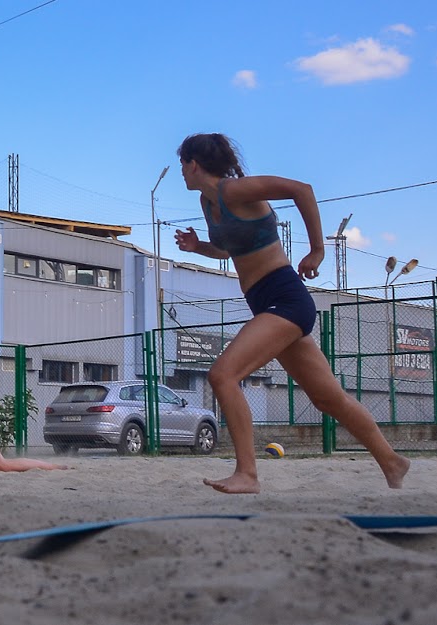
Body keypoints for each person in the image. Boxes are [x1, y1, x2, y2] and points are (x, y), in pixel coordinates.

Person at [173, 133, 410, 494]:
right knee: (328, 398)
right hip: (267, 302)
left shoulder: (234, 190)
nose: (181, 174)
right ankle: (392, 462)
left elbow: (303, 189)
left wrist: (317, 250)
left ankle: (247, 474)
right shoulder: (209, 204)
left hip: (285, 298)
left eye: (182, 166)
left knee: (223, 375)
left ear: (193, 163)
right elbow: (228, 250)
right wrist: (198, 247)